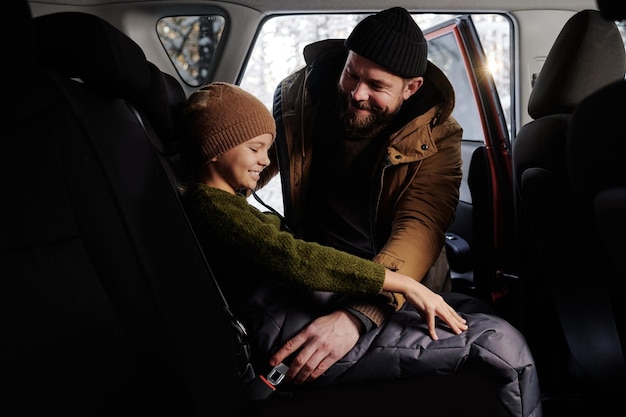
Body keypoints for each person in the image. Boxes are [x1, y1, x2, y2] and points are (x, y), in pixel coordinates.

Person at [178, 81, 542, 417]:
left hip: (293, 309)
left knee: (473, 309)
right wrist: (402, 283)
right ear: (215, 149)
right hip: (285, 331)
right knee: (500, 347)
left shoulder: (231, 202)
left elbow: (421, 222)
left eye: (268, 149)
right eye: (255, 149)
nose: (264, 160)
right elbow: (291, 257)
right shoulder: (213, 206)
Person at [258, 5, 463, 384]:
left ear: (411, 87)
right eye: (351, 74)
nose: (357, 93)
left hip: (397, 289)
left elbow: (420, 226)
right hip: (316, 270)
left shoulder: (440, 136)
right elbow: (254, 161)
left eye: (378, 86)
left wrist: (360, 313)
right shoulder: (298, 98)